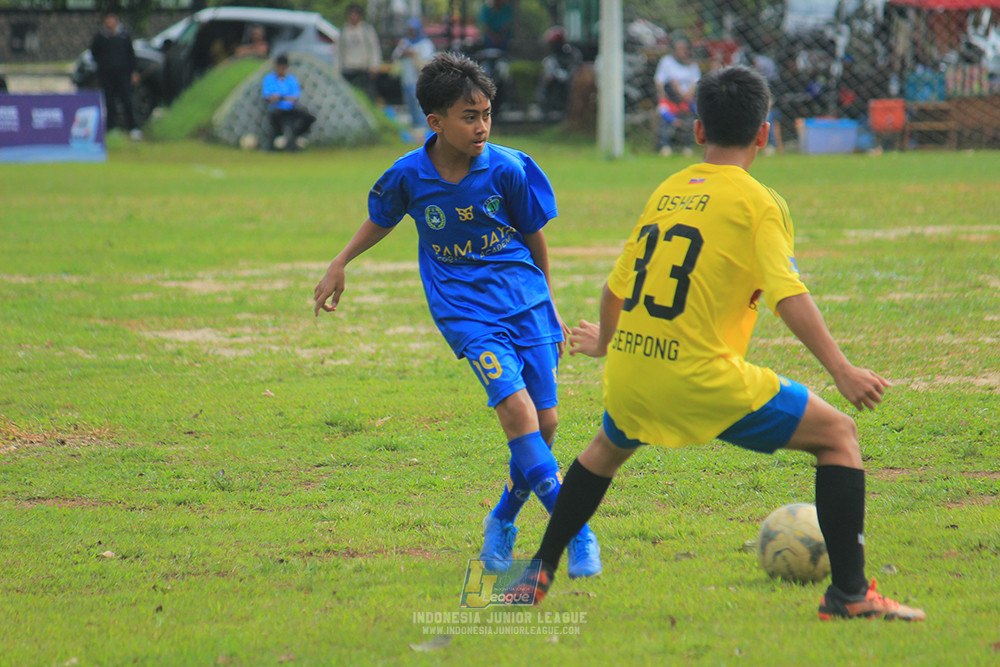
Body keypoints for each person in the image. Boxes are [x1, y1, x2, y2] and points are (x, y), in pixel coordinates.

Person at [510, 66, 926, 622]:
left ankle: (538, 569)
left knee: (605, 449)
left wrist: (607, 343)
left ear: (699, 130)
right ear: (765, 134)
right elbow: (788, 295)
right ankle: (850, 595)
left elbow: (614, 289)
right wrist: (842, 370)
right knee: (839, 436)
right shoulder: (759, 202)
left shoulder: (669, 189)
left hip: (633, 367)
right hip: (697, 376)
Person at [313, 52, 601, 579]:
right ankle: (575, 529)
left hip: (525, 300)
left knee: (546, 424)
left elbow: (534, 239)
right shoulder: (409, 175)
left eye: (487, 114)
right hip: (464, 310)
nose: (482, 126)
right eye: (469, 117)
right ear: (436, 122)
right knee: (517, 412)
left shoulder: (508, 168)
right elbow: (383, 217)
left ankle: (503, 517)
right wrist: (340, 261)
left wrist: (550, 304)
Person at [89, 11, 142, 140]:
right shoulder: (100, 37)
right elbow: (94, 53)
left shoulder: (124, 36)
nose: (110, 22)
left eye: (112, 19)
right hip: (106, 75)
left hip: (123, 74)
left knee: (127, 100)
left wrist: (134, 72)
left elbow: (130, 55)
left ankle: (133, 127)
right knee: (109, 101)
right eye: (107, 19)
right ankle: (111, 127)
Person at [654, 36, 701, 156]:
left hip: (687, 100)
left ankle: (688, 147)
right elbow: (661, 80)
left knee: (692, 118)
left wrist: (688, 95)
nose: (682, 51)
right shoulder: (667, 61)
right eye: (679, 48)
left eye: (684, 48)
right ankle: (665, 147)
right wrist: (673, 120)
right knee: (664, 121)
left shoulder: (692, 64)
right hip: (672, 98)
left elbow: (695, 82)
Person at [391, 17, 436, 138]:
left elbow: (428, 61)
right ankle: (415, 128)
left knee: (419, 104)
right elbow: (396, 55)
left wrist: (414, 55)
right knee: (409, 103)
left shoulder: (425, 43)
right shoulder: (405, 42)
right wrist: (405, 53)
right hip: (407, 78)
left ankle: (423, 129)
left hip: (419, 80)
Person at [262, 54, 316, 151]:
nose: (281, 70)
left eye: (283, 68)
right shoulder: (269, 79)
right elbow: (269, 98)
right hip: (276, 109)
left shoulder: (291, 80)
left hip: (290, 108)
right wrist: (283, 97)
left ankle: (295, 136)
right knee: (276, 119)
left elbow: (294, 98)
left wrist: (279, 97)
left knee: (309, 117)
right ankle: (278, 143)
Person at [537, 26, 582, 119]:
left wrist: (564, 73)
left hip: (568, 80)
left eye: (555, 44)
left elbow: (574, 67)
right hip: (556, 80)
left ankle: (567, 107)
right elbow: (548, 69)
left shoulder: (571, 53)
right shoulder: (551, 58)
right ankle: (546, 107)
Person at [339, 3, 382, 98]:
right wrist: (338, 69)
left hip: (364, 69)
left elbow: (374, 48)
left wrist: (374, 66)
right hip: (348, 69)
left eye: (356, 14)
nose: (353, 17)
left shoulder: (366, 30)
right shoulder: (344, 30)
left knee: (367, 96)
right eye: (351, 14)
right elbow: (339, 51)